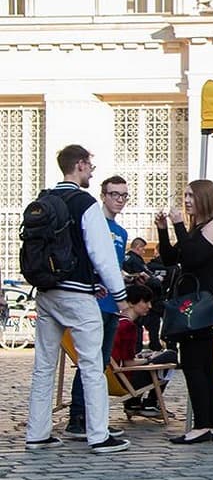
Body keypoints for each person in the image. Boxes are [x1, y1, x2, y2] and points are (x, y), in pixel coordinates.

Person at [25, 145, 131, 453]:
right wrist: (119, 296)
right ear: (80, 165)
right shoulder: (85, 203)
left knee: (44, 366)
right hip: (78, 294)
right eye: (90, 166)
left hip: (47, 292)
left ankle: (38, 432)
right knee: (91, 364)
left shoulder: (46, 199)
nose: (92, 172)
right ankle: (98, 435)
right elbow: (101, 253)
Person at [156, 179, 213, 444]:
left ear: (205, 198)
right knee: (203, 364)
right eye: (184, 195)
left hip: (201, 305)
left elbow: (193, 257)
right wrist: (164, 230)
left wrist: (177, 225)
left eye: (191, 196)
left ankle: (203, 424)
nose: (186, 200)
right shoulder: (197, 228)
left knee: (196, 365)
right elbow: (170, 258)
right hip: (192, 304)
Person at [64, 174, 131, 441]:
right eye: (115, 194)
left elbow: (112, 265)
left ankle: (95, 419)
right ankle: (79, 417)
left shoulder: (121, 232)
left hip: (112, 304)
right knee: (89, 362)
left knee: (101, 363)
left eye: (124, 195)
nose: (120, 200)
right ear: (103, 195)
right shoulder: (95, 222)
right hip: (93, 302)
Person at [113, 284, 178, 418]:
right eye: (145, 301)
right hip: (125, 379)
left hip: (114, 376)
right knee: (170, 355)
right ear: (131, 302)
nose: (149, 306)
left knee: (157, 356)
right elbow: (128, 364)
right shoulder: (128, 326)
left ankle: (134, 402)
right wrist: (150, 359)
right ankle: (150, 403)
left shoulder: (116, 322)